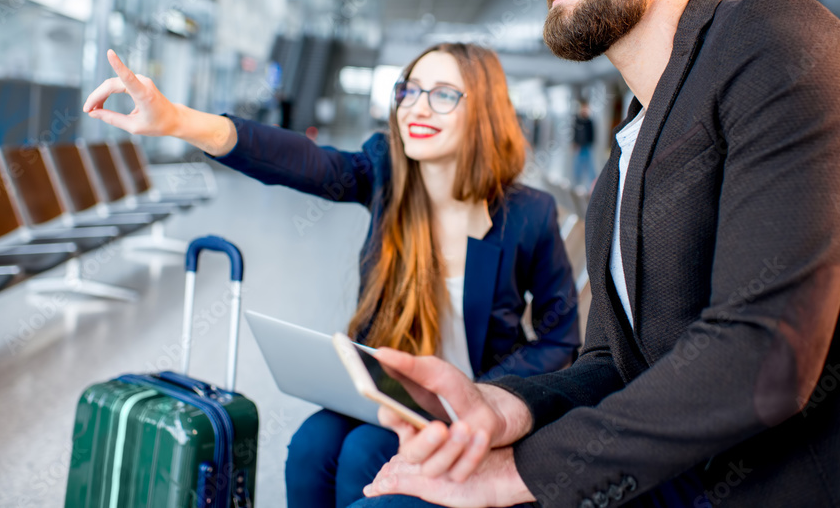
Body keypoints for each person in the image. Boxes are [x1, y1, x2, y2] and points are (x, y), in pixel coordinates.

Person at [350, 0, 840, 507]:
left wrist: (521, 471)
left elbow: (763, 356)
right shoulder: (623, 163)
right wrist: (502, 403)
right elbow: (612, 364)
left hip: (831, 482)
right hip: (691, 478)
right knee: (370, 464)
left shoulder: (775, 37)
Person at [82, 42, 580, 508]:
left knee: (364, 454)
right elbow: (302, 161)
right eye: (409, 90)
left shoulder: (528, 214)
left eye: (444, 95)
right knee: (309, 447)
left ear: (484, 111)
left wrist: (481, 396)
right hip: (391, 390)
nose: (418, 107)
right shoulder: (387, 171)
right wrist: (176, 120)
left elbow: (560, 340)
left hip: (467, 401)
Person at [571, 99, 596, 188]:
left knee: (589, 167)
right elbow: (575, 133)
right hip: (579, 146)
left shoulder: (589, 121)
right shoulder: (577, 120)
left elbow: (592, 134)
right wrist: (575, 143)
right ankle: (576, 184)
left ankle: (590, 185)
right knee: (578, 166)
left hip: (587, 146)